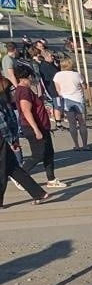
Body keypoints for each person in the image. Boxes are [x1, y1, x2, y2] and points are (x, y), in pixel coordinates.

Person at [13, 65, 65, 188]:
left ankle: (51, 179)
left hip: (42, 125)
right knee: (38, 154)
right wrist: (36, 129)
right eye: (32, 77)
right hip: (33, 127)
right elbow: (26, 110)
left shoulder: (25, 90)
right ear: (28, 77)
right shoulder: (24, 91)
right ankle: (20, 176)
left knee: (48, 152)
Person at [0, 76, 49, 207]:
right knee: (13, 169)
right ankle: (38, 193)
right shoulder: (4, 100)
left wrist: (11, 139)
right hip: (7, 137)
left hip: (2, 138)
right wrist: (13, 138)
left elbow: (3, 123)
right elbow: (11, 119)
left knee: (2, 169)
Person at [53, 57, 90, 151]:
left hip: (67, 101)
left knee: (72, 124)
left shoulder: (57, 75)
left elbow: (58, 90)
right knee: (82, 123)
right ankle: (85, 145)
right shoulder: (77, 75)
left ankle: (76, 145)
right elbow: (84, 86)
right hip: (78, 100)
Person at [37, 49, 62, 130]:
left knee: (57, 105)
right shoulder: (46, 66)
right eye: (51, 56)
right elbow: (58, 74)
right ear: (46, 57)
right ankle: (58, 123)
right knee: (57, 105)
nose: (53, 57)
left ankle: (58, 120)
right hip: (53, 89)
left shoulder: (48, 64)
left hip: (53, 87)